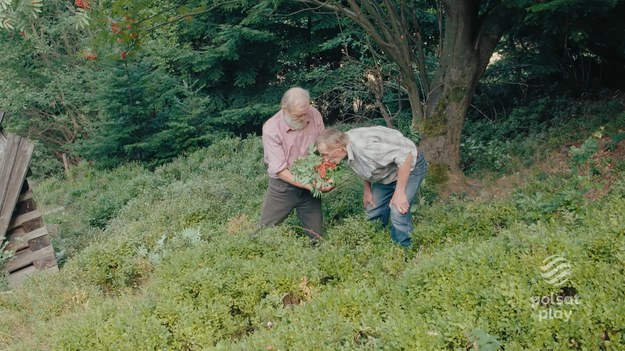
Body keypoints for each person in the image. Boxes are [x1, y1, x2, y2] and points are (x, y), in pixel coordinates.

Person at [315, 126, 427, 247]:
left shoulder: (365, 148)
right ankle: (375, 245)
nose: (325, 159)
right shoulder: (344, 146)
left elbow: (405, 156)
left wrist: (399, 193)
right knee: (373, 210)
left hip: (409, 166)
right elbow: (363, 164)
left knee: (398, 209)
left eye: (325, 155)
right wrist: (367, 190)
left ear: (338, 148)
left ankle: (404, 251)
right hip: (386, 172)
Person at [259, 87, 330, 240]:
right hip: (283, 186)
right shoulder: (271, 128)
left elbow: (323, 147)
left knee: (317, 236)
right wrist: (310, 185)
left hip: (311, 179)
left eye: (306, 113)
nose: (304, 118)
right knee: (264, 231)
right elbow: (279, 170)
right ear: (284, 108)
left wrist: (326, 177)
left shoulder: (314, 114)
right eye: (299, 115)